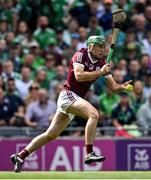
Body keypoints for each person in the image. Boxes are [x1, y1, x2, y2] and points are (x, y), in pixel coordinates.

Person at [10, 35, 132, 172]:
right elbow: (79, 76)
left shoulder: (102, 63)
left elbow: (113, 88)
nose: (102, 50)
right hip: (68, 95)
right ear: (90, 46)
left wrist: (122, 87)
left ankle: (20, 156)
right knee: (94, 114)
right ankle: (89, 153)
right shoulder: (80, 54)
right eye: (99, 46)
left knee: (51, 134)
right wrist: (99, 72)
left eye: (103, 47)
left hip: (76, 99)